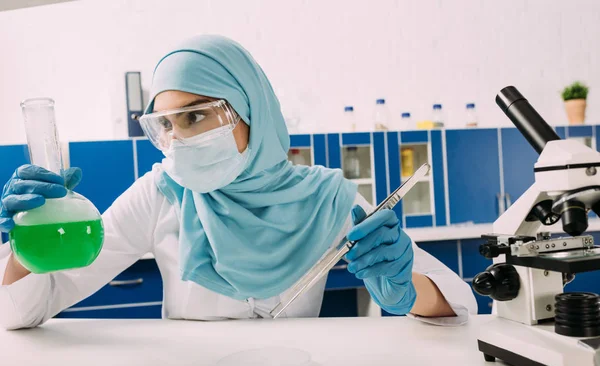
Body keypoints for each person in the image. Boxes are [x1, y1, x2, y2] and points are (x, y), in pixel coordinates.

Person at [0, 35, 476, 329]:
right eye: (166, 124)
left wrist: (405, 287)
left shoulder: (327, 199)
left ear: (253, 111)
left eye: (197, 116)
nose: (179, 139)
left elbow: (456, 305)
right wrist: (25, 252)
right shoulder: (162, 191)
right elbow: (23, 311)